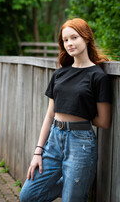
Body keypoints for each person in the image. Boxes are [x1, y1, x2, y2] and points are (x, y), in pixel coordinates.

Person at [19, 18, 112, 202]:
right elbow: (49, 114)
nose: (69, 43)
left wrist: (79, 111)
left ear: (86, 38)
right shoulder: (60, 73)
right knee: (28, 196)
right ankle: (71, 182)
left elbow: (104, 121)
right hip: (54, 139)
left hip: (80, 142)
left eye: (74, 37)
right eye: (65, 40)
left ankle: (76, 184)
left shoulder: (98, 76)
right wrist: (38, 152)